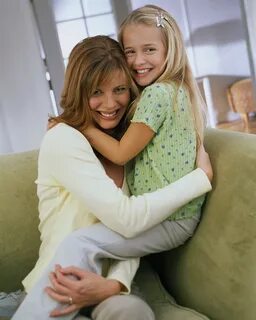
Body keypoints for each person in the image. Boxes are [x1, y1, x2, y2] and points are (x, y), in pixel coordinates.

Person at [9, 35, 212, 320]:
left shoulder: (126, 144)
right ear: (79, 92)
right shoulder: (63, 139)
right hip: (61, 280)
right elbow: (127, 220)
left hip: (106, 287)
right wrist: (199, 178)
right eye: (96, 92)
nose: (110, 103)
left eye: (119, 89)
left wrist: (114, 284)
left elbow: (136, 235)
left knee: (133, 313)